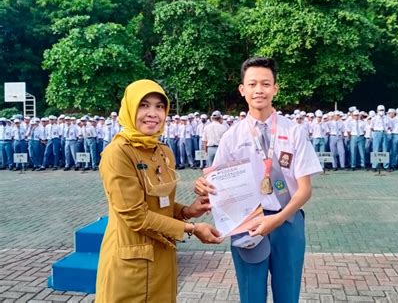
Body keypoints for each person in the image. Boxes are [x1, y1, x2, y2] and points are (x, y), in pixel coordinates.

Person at [194, 57, 322, 303]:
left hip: (288, 221)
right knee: (251, 295)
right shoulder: (232, 136)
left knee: (288, 293)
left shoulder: (293, 131)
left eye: (265, 84)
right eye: (252, 84)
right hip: (247, 223)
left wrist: (277, 219)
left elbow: (305, 190)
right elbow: (217, 186)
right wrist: (201, 186)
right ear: (242, 90)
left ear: (276, 88)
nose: (259, 90)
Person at [95, 79, 222, 303]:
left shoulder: (163, 151)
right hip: (131, 263)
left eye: (159, 106)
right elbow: (136, 215)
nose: (152, 113)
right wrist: (191, 228)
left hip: (163, 257)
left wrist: (188, 211)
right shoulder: (118, 153)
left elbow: (159, 203)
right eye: (143, 105)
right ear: (130, 108)